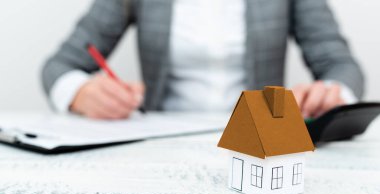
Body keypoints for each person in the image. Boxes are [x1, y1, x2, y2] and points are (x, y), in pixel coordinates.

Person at [42, 0, 364, 120]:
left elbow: (342, 66)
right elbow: (59, 66)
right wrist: (80, 93)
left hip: (259, 142)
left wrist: (332, 94)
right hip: (158, 147)